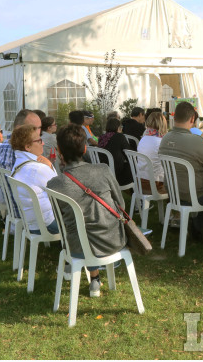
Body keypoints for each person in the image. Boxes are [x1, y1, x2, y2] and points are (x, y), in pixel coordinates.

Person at [47, 124, 127, 297]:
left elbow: (60, 221)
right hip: (112, 240)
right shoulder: (103, 170)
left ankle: (85, 274)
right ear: (85, 148)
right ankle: (94, 279)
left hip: (75, 247)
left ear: (59, 149)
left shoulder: (53, 184)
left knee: (76, 227)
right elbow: (121, 205)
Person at [159, 101, 203, 239]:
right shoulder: (196, 141)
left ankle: (201, 226)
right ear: (192, 119)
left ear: (174, 118)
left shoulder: (165, 138)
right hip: (195, 195)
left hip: (173, 193)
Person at [10, 124, 59, 234]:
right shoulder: (38, 168)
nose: (43, 143)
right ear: (28, 147)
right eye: (39, 141)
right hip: (48, 223)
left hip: (31, 222)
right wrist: (50, 165)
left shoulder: (18, 164)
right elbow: (60, 189)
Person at [136, 111, 168, 195]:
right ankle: (176, 204)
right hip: (156, 185)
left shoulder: (143, 139)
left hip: (140, 182)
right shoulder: (161, 141)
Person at [97, 118, 133, 187]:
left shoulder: (102, 137)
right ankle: (135, 193)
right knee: (132, 166)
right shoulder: (119, 136)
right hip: (116, 175)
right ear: (118, 128)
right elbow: (129, 154)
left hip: (103, 173)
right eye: (121, 127)